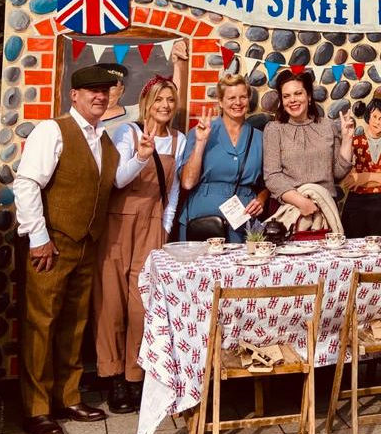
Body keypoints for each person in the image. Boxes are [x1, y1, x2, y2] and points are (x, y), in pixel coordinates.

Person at [13, 65, 122, 434]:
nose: (99, 96)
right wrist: (39, 237)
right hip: (52, 244)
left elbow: (113, 182)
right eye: (92, 90)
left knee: (74, 323)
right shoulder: (53, 130)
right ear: (73, 94)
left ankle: (68, 396)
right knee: (41, 324)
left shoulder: (104, 141)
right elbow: (27, 183)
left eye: (105, 91)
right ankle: (36, 408)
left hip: (85, 245)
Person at [94, 75, 186, 414]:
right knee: (111, 301)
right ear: (147, 102)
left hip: (152, 225)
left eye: (170, 100)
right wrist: (142, 157)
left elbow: (173, 191)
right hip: (118, 222)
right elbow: (118, 178)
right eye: (159, 99)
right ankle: (112, 374)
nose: (165, 106)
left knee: (141, 303)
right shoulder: (127, 133)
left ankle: (135, 375)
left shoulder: (180, 140)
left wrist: (164, 227)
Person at [179, 74, 267, 242]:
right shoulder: (200, 132)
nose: (238, 102)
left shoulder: (259, 138)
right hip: (202, 220)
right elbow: (188, 182)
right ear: (220, 101)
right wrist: (200, 143)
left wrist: (261, 200)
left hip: (243, 221)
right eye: (231, 98)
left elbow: (267, 183)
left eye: (243, 97)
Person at [263, 70, 354, 223]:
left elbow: (338, 173)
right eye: (286, 96)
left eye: (298, 93)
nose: (292, 100)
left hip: (325, 210)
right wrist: (302, 202)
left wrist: (347, 139)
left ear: (309, 97)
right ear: (282, 101)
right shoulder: (274, 129)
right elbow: (272, 176)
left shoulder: (328, 126)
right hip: (288, 210)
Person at [341, 98, 381, 237]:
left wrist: (364, 177)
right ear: (368, 117)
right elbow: (349, 181)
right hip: (357, 203)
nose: (377, 121)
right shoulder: (354, 142)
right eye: (374, 117)